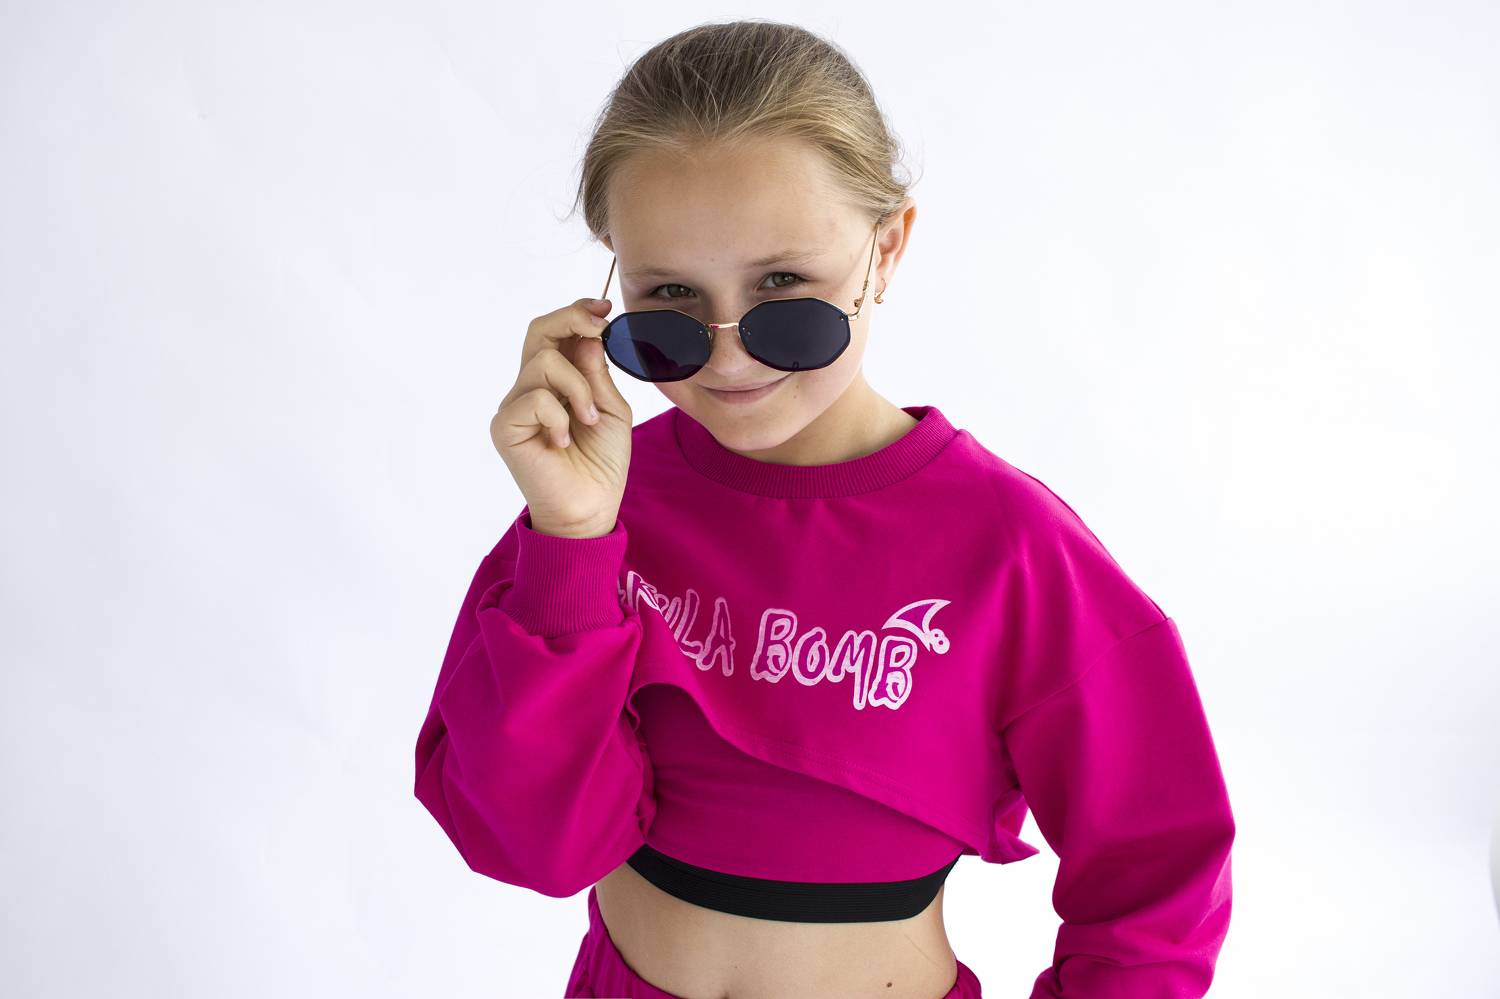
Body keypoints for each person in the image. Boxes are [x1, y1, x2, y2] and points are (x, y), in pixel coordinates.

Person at [413, 18, 1235, 999]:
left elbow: (1157, 872)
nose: (727, 357)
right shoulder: (596, 512)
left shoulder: (1011, 548)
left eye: (784, 288)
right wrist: (573, 541)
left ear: (887, 249)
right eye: (669, 298)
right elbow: (532, 849)